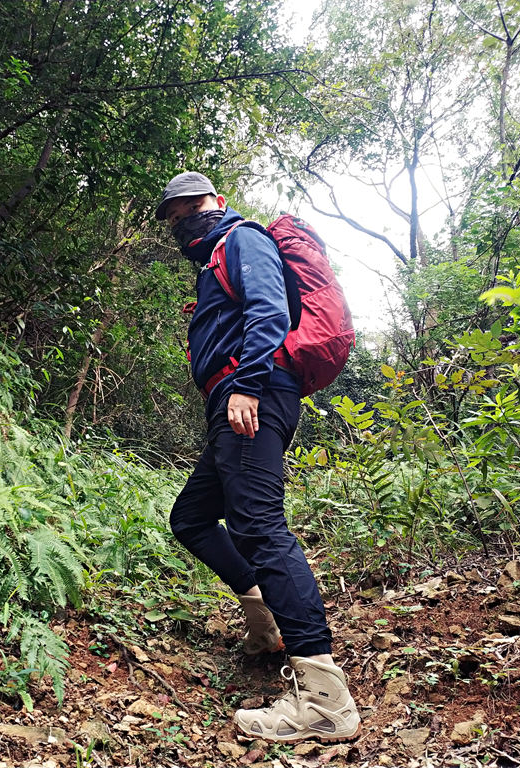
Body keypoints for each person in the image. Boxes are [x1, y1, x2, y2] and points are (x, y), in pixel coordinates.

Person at [155, 171, 361, 744]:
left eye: (191, 207)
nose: (183, 221)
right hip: (238, 401)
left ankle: (325, 699)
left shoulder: (241, 238)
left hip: (256, 392)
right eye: (174, 217)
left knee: (261, 528)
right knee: (192, 518)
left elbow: (269, 309)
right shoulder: (214, 259)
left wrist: (246, 384)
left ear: (216, 203)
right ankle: (265, 620)